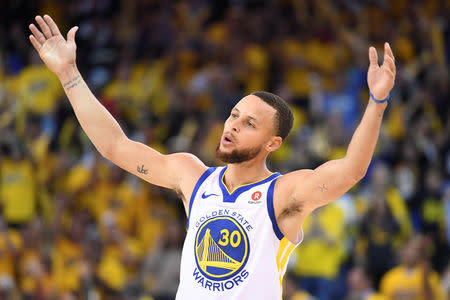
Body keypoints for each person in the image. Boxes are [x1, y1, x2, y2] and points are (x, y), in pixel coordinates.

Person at [28, 14, 396, 299]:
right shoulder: (192, 175)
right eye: (233, 114)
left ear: (273, 143)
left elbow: (351, 170)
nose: (233, 125)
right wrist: (69, 73)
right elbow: (115, 146)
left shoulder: (283, 194)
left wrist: (377, 102)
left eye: (249, 123)